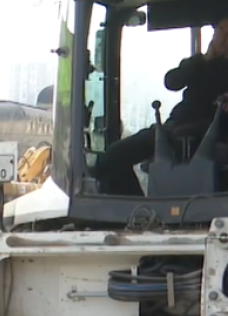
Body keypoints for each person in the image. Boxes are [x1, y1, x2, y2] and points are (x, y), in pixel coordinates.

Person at [96, 19, 228, 196]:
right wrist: (204, 59)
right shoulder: (198, 63)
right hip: (173, 129)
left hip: (217, 134)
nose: (223, 38)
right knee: (111, 158)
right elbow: (172, 81)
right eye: (221, 30)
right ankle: (140, 212)